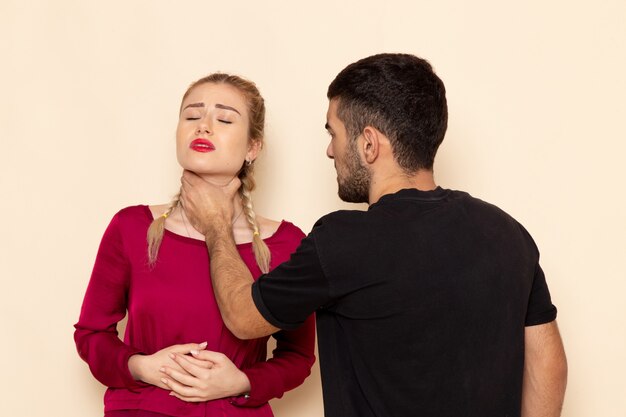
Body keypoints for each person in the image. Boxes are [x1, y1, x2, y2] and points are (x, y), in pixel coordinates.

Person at [178, 54, 568, 417]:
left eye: (334, 133)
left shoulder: (343, 241)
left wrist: (215, 223)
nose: (331, 151)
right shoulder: (507, 232)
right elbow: (546, 358)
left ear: (368, 143)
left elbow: (244, 319)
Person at [74, 73, 316, 417]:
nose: (203, 126)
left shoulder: (287, 244)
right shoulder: (131, 228)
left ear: (252, 147)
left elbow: (298, 356)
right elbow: (91, 333)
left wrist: (241, 382)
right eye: (191, 116)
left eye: (224, 119)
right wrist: (142, 367)